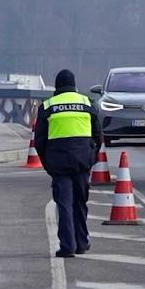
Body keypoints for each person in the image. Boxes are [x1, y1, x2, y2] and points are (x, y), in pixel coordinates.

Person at [34, 68, 99, 258]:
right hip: (82, 162)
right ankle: (81, 242)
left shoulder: (48, 106)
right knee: (80, 202)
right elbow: (98, 136)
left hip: (59, 164)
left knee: (64, 204)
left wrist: (48, 163)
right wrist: (91, 157)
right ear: (74, 85)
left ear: (57, 86)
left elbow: (39, 141)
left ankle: (67, 246)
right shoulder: (87, 103)